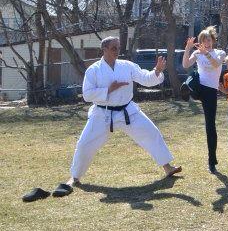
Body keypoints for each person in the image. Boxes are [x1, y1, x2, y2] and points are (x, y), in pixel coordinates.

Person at [54, 36, 181, 197]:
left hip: (128, 111)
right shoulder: (94, 70)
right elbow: (87, 95)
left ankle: (167, 167)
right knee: (85, 143)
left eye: (118, 48)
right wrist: (108, 89)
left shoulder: (126, 66)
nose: (117, 51)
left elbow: (145, 78)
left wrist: (156, 71)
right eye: (113, 48)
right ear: (104, 49)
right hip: (102, 114)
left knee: (151, 132)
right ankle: (75, 177)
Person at [182, 26, 227, 173]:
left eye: (208, 40)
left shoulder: (220, 53)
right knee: (193, 77)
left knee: (210, 125)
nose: (206, 43)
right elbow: (185, 65)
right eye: (203, 41)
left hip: (210, 91)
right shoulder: (197, 53)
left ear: (213, 40)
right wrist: (188, 48)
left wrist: (206, 53)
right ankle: (187, 90)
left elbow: (215, 64)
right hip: (199, 86)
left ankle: (212, 161)